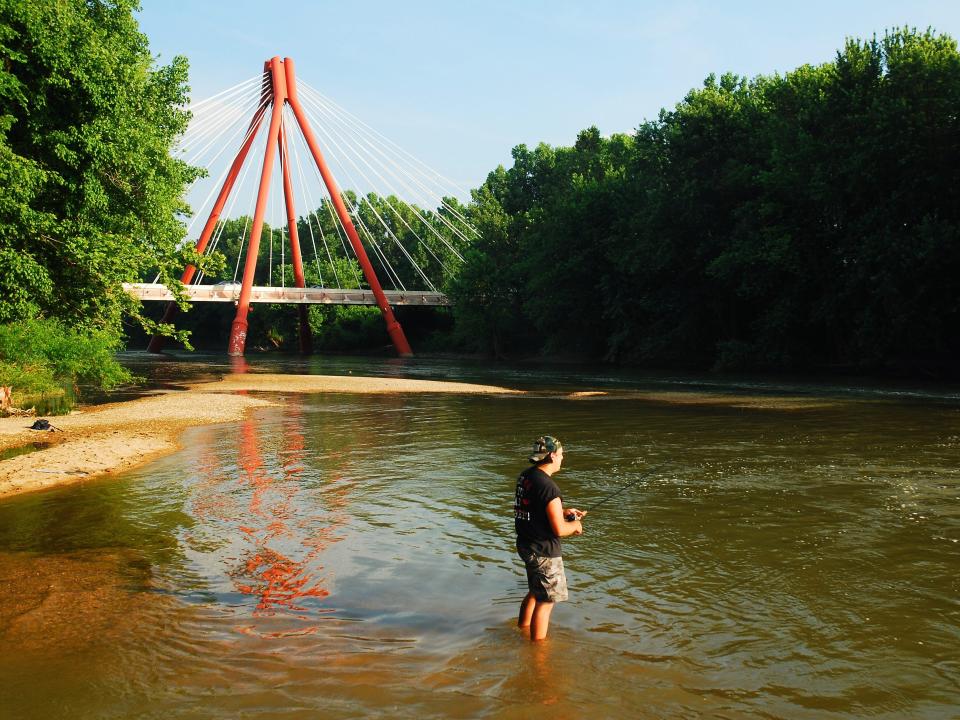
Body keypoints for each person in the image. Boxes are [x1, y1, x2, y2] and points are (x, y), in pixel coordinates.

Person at [513, 435, 586, 641]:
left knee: (535, 593)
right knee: (546, 602)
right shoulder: (549, 487)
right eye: (561, 455)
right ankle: (537, 653)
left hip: (527, 545)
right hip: (543, 551)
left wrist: (563, 511)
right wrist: (575, 526)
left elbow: (534, 508)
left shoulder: (526, 477)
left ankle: (522, 629)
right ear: (552, 456)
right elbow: (559, 530)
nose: (563, 458)